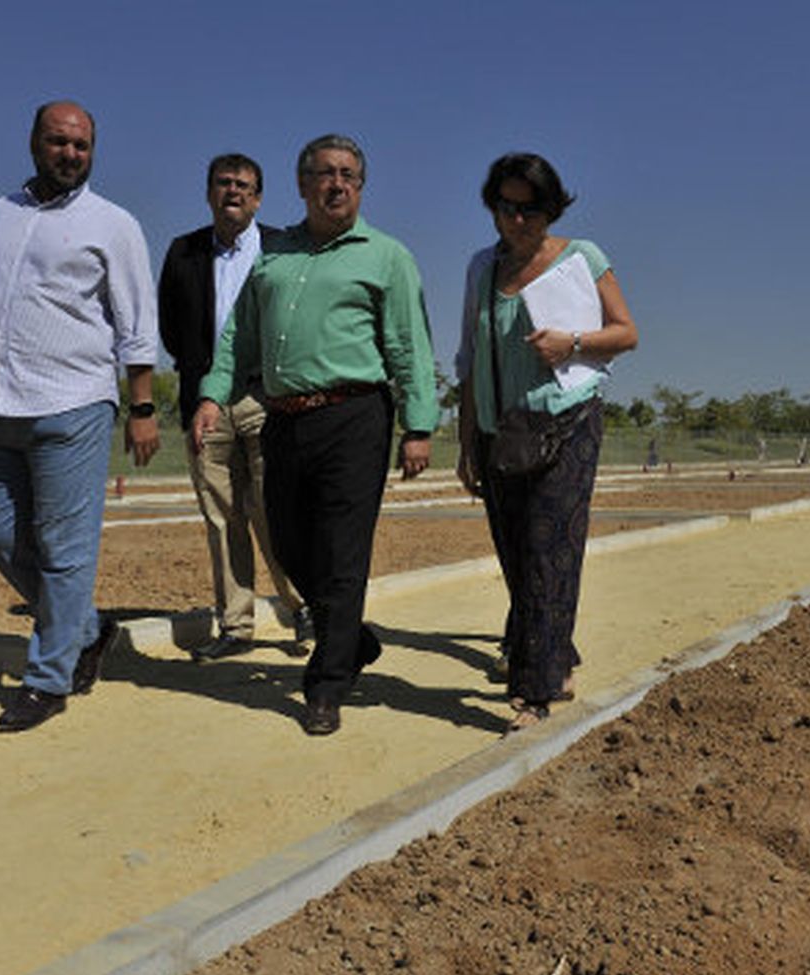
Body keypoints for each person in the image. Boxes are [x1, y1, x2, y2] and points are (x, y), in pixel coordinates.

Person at [193, 134, 438, 737]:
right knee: (291, 544)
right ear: (303, 185)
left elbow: (408, 344)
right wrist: (210, 393)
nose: (338, 184)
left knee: (343, 551)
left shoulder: (387, 256)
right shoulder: (273, 257)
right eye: (325, 174)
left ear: (360, 185)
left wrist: (419, 424)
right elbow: (236, 339)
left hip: (355, 415)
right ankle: (349, 639)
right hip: (283, 417)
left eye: (349, 175)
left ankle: (326, 685)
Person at [0, 100, 161, 733]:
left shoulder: (113, 224)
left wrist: (142, 407)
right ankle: (86, 631)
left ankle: (47, 680)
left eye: (82, 146)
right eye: (59, 143)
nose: (70, 155)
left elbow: (138, 327)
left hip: (75, 403)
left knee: (64, 552)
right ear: (34, 142)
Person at [455, 152, 639, 733]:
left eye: (528, 209)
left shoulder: (583, 258)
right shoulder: (482, 270)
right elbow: (468, 358)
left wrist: (573, 342)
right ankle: (554, 658)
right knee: (516, 555)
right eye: (505, 208)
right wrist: (466, 441)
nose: (516, 221)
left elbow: (626, 333)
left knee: (549, 548)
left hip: (567, 421)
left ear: (550, 208)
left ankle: (533, 693)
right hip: (499, 432)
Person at [159, 153, 311, 661]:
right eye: (224, 184)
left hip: (266, 398)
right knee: (221, 517)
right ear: (208, 193)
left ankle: (303, 608)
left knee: (276, 511)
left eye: (244, 185)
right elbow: (170, 329)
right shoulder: (183, 253)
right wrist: (204, 385)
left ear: (259, 197)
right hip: (205, 403)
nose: (234, 192)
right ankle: (236, 626)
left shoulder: (283, 248)